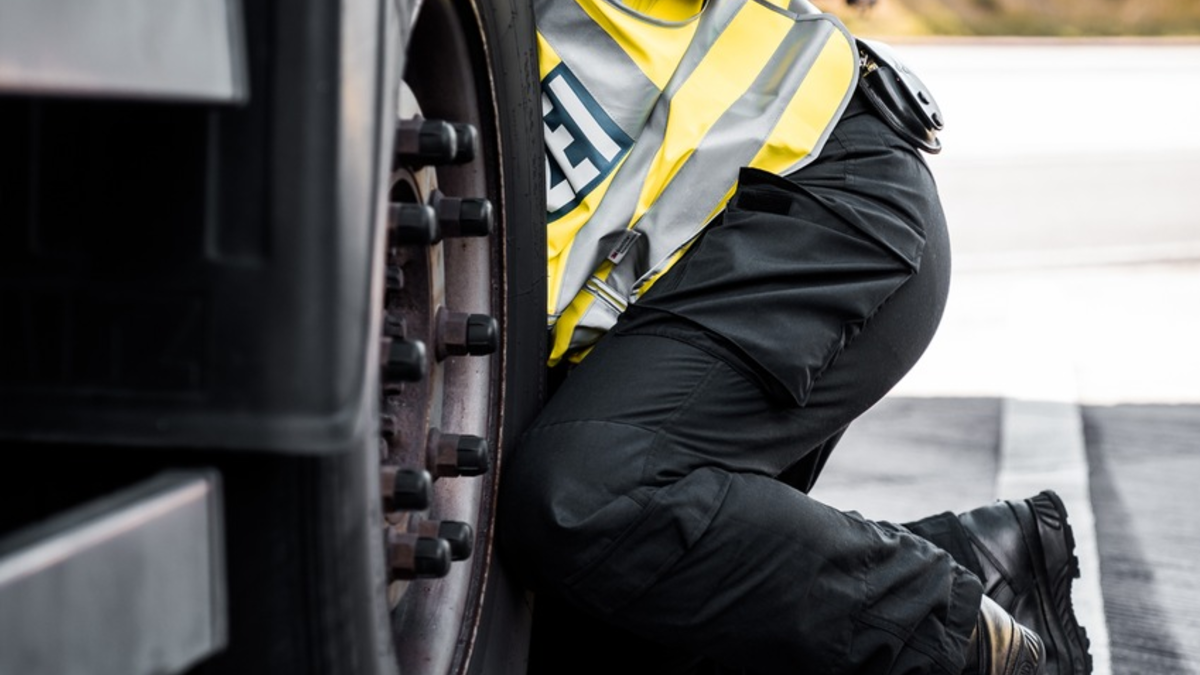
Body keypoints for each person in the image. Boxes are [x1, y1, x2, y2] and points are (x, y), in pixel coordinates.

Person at [497, 0, 1093, 673]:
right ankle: (984, 566)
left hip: (814, 191)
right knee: (592, 609)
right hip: (692, 253)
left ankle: (976, 648)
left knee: (583, 496)